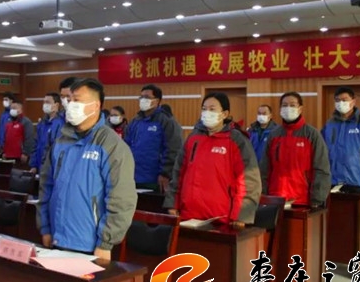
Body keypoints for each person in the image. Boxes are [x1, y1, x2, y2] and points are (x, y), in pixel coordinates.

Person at [38, 78, 136, 259]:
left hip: (90, 244)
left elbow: (121, 199)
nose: (70, 105)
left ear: (95, 106)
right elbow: (46, 186)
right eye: (69, 100)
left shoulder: (112, 145)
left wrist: (105, 242)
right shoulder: (61, 141)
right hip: (56, 239)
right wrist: (45, 227)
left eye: (77, 100)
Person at [164, 92, 261, 228]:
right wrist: (172, 203)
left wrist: (242, 215)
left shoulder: (236, 140)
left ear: (225, 114)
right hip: (188, 216)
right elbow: (178, 172)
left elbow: (249, 180)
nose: (206, 113)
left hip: (221, 219)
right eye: (204, 109)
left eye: (212, 109)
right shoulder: (193, 138)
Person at [259, 92, 331, 207]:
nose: (288, 108)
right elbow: (264, 168)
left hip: (302, 200)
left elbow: (321, 169)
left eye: (292, 105)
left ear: (300, 108)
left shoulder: (312, 134)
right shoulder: (274, 135)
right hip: (275, 198)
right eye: (284, 105)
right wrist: (263, 195)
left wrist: (317, 199)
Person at [321, 87, 360, 194]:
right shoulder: (329, 124)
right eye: (337, 100)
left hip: (356, 180)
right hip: (332, 180)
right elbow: (321, 151)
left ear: (353, 101)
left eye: (344, 100)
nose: (341, 103)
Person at [124, 84, 183, 192]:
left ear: (157, 101)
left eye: (147, 97)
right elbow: (125, 146)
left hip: (155, 180)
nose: (143, 100)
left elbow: (173, 149)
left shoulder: (167, 121)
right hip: (133, 177)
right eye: (141, 97)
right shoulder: (135, 121)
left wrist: (165, 173)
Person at [30, 92, 64, 175]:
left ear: (56, 105)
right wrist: (33, 164)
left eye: (48, 102)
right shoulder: (42, 123)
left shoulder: (60, 124)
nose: (45, 105)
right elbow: (35, 143)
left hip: (51, 169)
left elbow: (57, 149)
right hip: (39, 167)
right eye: (44, 102)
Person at [1, 99, 35, 164]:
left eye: (14, 108)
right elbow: (5, 138)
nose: (12, 110)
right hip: (8, 156)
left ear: (21, 110)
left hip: (20, 156)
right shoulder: (8, 122)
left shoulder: (26, 122)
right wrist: (4, 152)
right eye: (11, 108)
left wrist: (25, 153)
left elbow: (29, 138)